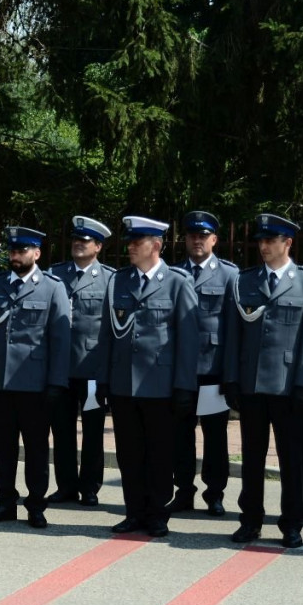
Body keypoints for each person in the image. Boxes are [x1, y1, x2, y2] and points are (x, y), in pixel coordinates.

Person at [97, 216, 198, 538]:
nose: (130, 247)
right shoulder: (119, 282)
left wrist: (184, 386)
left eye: (136, 242)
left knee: (159, 454)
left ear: (155, 245)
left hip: (161, 386)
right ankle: (133, 512)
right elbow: (106, 335)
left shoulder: (178, 283)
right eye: (129, 241)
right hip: (125, 383)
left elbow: (188, 340)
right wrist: (103, 379)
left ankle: (157, 514)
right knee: (129, 453)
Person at [0, 226, 71, 529]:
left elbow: (60, 340)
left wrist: (56, 382)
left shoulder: (52, 287)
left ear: (36, 253)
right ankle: (5, 502)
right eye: (11, 251)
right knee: (5, 445)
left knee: (36, 446)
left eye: (22, 250)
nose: (15, 255)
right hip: (0, 381)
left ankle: (36, 505)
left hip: (36, 384)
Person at [223, 214, 303, 548]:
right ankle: (251, 519)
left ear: (287, 243)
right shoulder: (244, 281)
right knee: (252, 456)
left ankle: (291, 522)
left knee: (291, 458)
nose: (263, 246)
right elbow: (233, 335)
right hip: (252, 383)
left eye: (270, 241)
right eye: (260, 241)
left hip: (288, 386)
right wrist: (231, 379)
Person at [168, 210, 237, 517]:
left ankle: (215, 493)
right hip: (180, 371)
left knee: (215, 436)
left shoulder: (229, 275)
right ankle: (184, 491)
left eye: (203, 235)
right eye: (192, 235)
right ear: (185, 239)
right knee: (180, 435)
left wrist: (230, 373)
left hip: (212, 370)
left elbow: (234, 329)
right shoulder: (171, 273)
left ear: (214, 239)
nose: (197, 240)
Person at [47, 216, 114, 507]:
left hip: (91, 369)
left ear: (97, 246)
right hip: (61, 368)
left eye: (84, 241)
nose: (78, 244)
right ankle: (65, 486)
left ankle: (89, 486)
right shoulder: (55, 274)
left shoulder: (111, 279)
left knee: (93, 431)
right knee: (61, 431)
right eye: (75, 239)